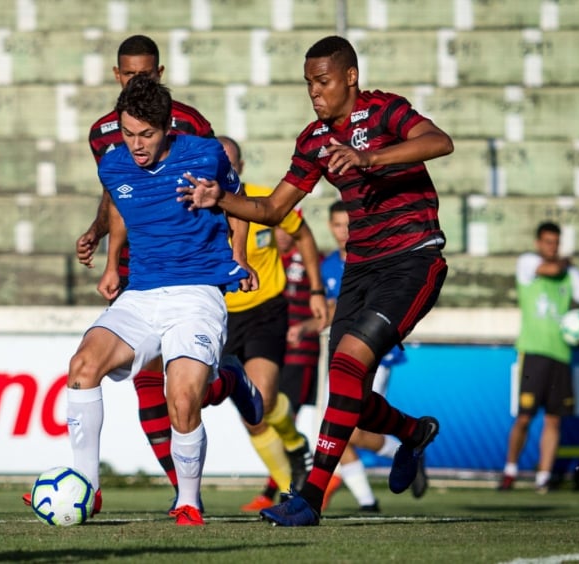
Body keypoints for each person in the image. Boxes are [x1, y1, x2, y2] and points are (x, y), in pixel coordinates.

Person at [178, 34, 454, 526]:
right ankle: (412, 432)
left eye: (322, 81)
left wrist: (369, 158)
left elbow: (439, 142)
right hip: (361, 270)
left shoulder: (385, 111)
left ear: (350, 77)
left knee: (346, 368)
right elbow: (271, 209)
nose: (314, 91)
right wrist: (217, 197)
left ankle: (310, 499)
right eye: (308, 83)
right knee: (349, 396)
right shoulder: (313, 140)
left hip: (413, 258)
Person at [24, 35, 264, 513]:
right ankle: (87, 489)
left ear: (167, 128)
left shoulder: (204, 152)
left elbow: (237, 204)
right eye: (129, 133)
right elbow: (119, 206)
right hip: (141, 292)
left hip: (196, 293)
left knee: (181, 398)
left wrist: (239, 256)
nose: (135, 145)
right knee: (82, 368)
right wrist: (113, 263)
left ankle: (189, 503)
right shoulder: (113, 162)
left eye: (146, 135)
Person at [216, 136, 327, 508]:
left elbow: (304, 235)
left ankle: (290, 480)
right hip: (218, 315)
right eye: (217, 162)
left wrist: (315, 290)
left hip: (266, 310)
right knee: (251, 416)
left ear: (242, 167)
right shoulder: (197, 206)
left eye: (230, 163)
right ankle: (291, 463)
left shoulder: (265, 200)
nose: (224, 169)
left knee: (260, 399)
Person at [317, 201, 418, 512]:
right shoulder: (327, 266)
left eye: (348, 224)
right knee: (335, 427)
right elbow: (331, 313)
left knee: (353, 427)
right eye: (337, 225)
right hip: (337, 355)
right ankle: (367, 501)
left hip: (375, 354)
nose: (343, 231)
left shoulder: (376, 261)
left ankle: (409, 445)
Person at [498, 221, 579, 493]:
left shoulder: (572, 275)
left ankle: (543, 477)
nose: (551, 247)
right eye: (547, 242)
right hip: (533, 352)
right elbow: (553, 268)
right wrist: (566, 262)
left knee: (554, 418)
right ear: (538, 243)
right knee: (524, 417)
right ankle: (510, 471)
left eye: (555, 242)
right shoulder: (528, 263)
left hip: (562, 355)